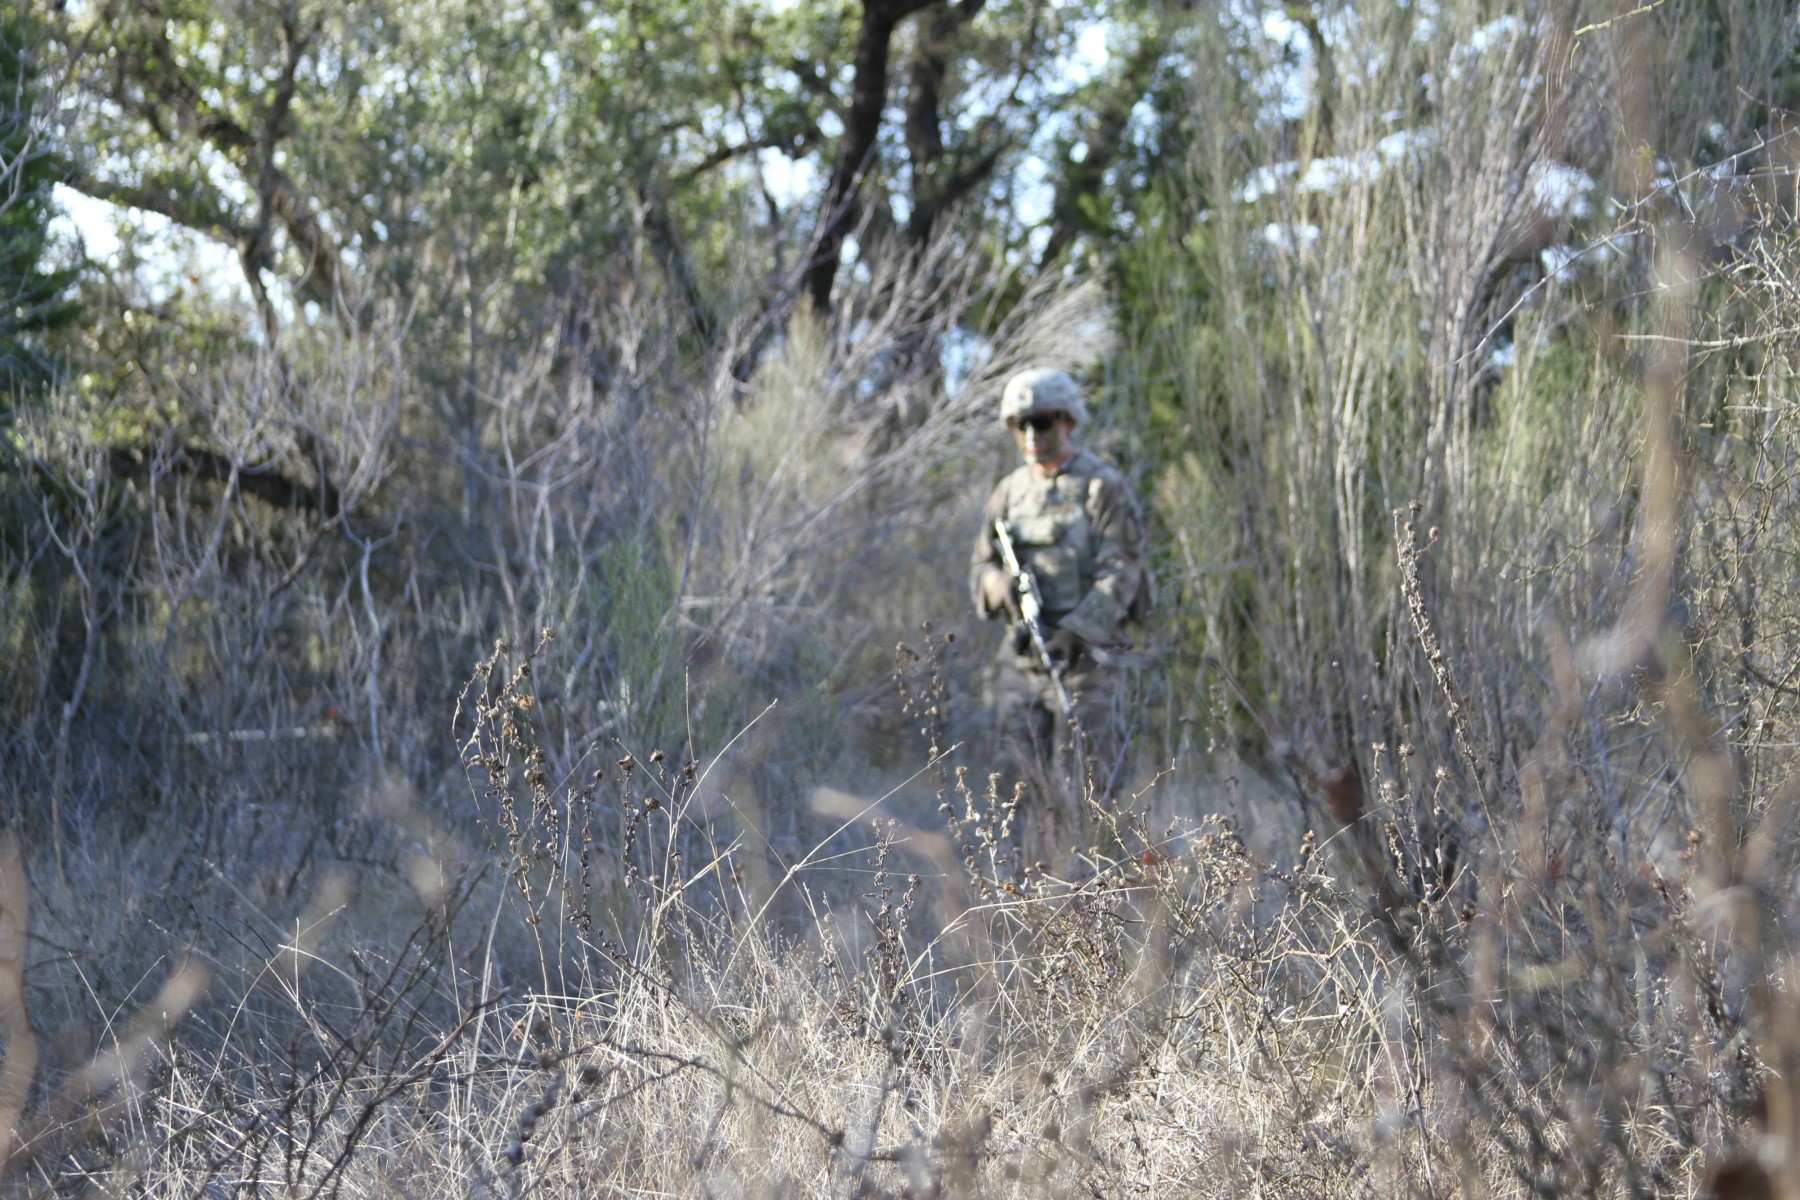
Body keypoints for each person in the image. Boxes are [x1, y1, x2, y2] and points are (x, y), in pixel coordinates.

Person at [970, 368, 1149, 865]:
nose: (1031, 436)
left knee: (1092, 789)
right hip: (1024, 662)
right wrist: (997, 585)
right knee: (1011, 788)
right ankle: (1022, 896)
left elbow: (1123, 570)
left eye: (1043, 422)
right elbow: (981, 565)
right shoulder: (1008, 493)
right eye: (1020, 424)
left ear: (1068, 421)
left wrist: (1080, 630)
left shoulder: (1100, 487)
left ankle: (1095, 904)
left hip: (1088, 663)